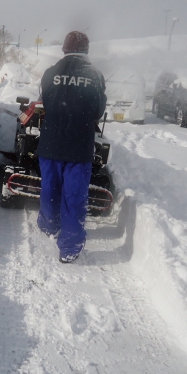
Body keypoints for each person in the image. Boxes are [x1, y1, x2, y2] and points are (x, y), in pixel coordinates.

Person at [36, 31, 106, 263]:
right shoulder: (95, 75)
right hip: (79, 146)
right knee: (74, 195)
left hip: (51, 144)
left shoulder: (50, 72)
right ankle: (70, 247)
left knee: (50, 188)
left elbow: (45, 102)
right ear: (86, 50)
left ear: (64, 49)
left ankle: (49, 225)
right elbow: (98, 111)